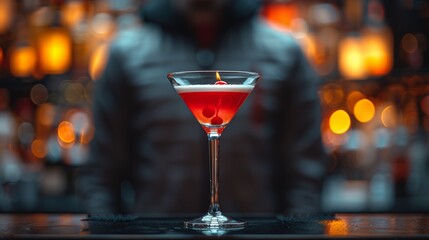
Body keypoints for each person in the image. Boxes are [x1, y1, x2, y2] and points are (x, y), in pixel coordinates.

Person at [80, 0, 327, 214]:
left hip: (254, 232)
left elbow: (306, 172)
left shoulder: (284, 52)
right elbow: (101, 171)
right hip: (158, 233)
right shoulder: (127, 53)